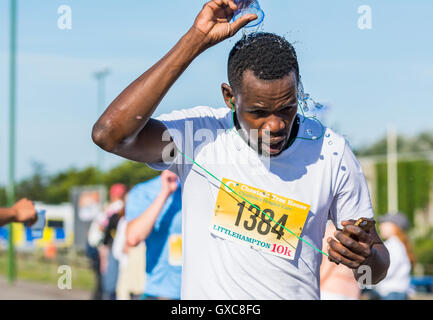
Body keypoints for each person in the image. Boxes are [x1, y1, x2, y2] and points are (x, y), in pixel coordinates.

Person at [92, 0, 390, 299]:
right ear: (230, 97)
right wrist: (196, 38)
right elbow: (109, 135)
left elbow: (375, 270)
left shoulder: (332, 152)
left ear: (298, 92)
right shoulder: (200, 136)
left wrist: (365, 257)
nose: (274, 126)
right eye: (258, 112)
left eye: (287, 108)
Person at [125, 170, 182, 300]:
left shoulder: (207, 184)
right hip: (161, 292)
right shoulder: (144, 191)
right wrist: (165, 193)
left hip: (205, 291)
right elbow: (133, 237)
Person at [373, 212, 414, 300]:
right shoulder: (398, 244)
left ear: (395, 226)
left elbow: (386, 271)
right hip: (394, 293)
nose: (380, 226)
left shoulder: (393, 245)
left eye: (384, 223)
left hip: (392, 294)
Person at [320, 221, 361, 300]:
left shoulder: (330, 232)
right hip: (353, 292)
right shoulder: (357, 234)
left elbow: (326, 265)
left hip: (330, 290)